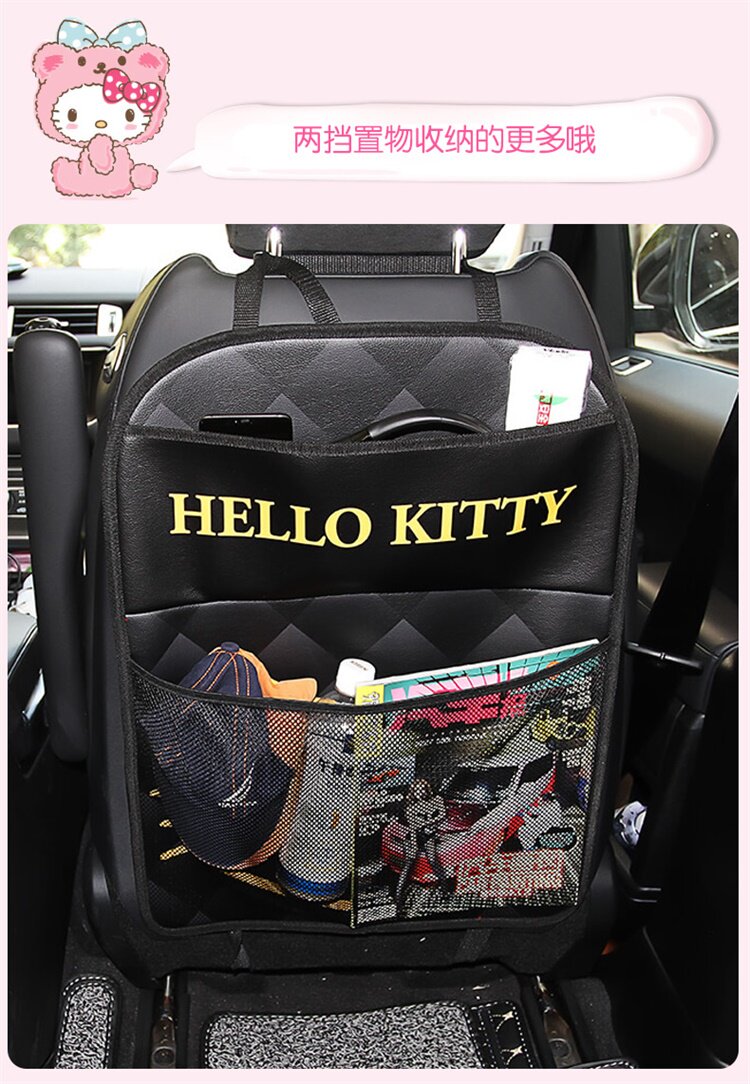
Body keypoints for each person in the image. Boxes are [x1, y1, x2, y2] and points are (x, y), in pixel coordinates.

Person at [394, 778, 452, 914]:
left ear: (427, 790)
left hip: (428, 835)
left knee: (434, 862)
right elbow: (413, 828)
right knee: (408, 866)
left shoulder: (436, 800)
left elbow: (442, 815)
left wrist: (429, 825)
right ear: (413, 792)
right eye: (417, 790)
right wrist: (414, 844)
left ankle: (446, 892)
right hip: (413, 837)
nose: (420, 792)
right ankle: (398, 901)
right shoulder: (410, 807)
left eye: (423, 789)